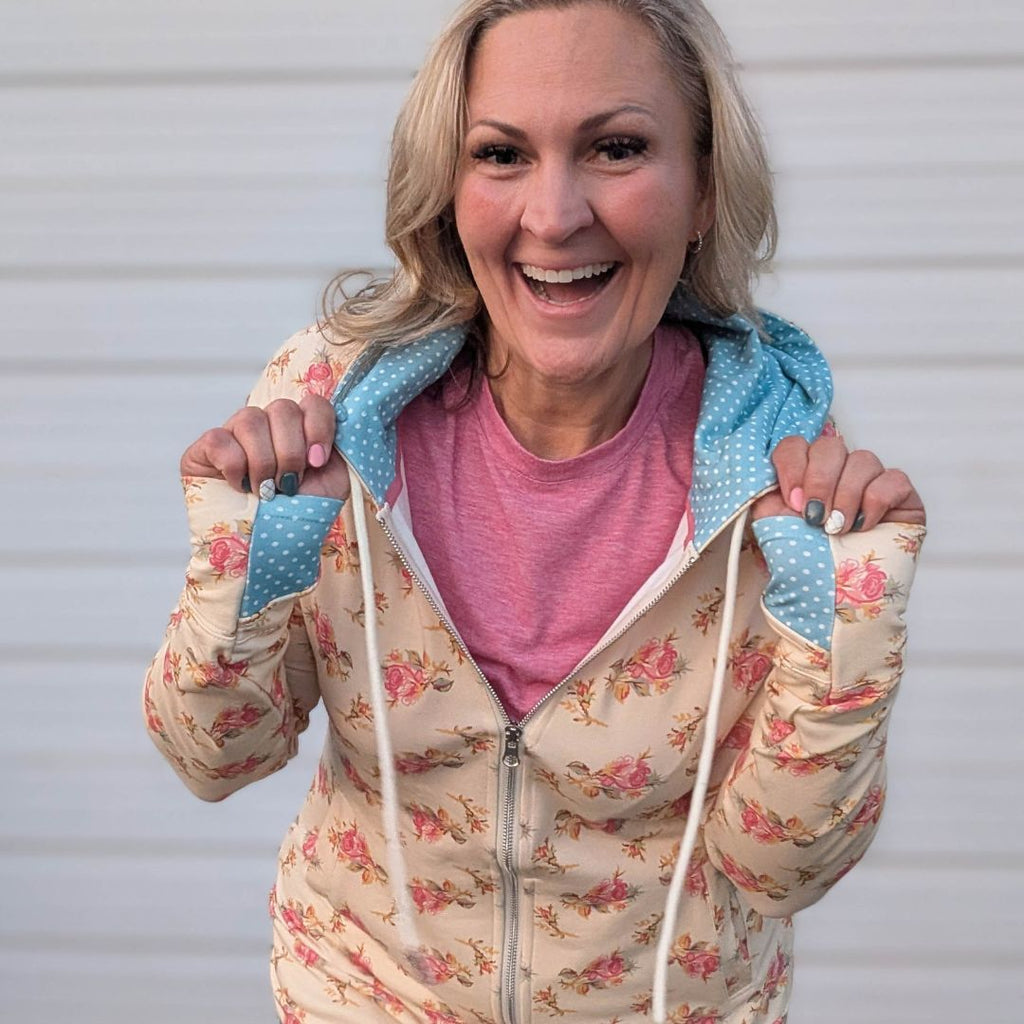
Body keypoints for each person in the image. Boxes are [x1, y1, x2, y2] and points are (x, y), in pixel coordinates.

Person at [143, 1, 926, 1021]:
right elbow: (216, 755)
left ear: (701, 191)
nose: (554, 216)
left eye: (616, 148)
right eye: (501, 154)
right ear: (446, 193)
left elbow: (779, 867)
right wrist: (245, 565)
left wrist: (846, 636)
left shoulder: (778, 468)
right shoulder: (331, 409)